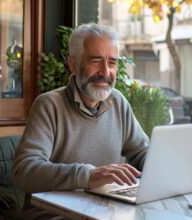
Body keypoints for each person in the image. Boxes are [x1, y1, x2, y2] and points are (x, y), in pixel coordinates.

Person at [13, 23, 149, 219]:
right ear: (74, 65)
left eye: (112, 63)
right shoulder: (49, 105)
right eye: (96, 61)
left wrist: (160, 166)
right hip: (53, 216)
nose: (105, 71)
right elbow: (24, 171)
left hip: (103, 212)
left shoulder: (118, 102)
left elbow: (142, 151)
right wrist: (88, 176)